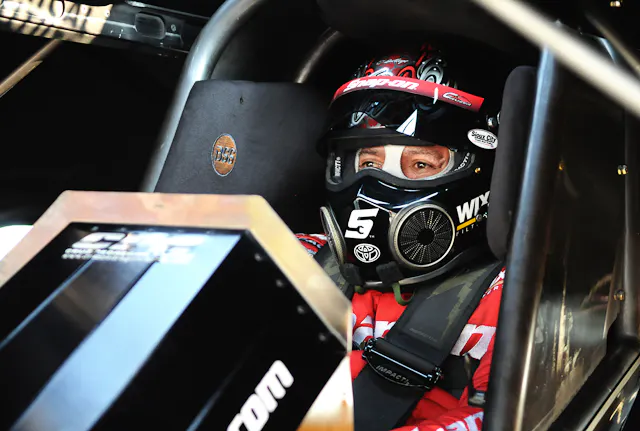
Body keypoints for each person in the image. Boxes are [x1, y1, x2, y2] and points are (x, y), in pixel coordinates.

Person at [297, 43, 506, 431]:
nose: (378, 183)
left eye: (421, 163)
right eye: (369, 162)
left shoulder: (512, 299)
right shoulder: (291, 259)